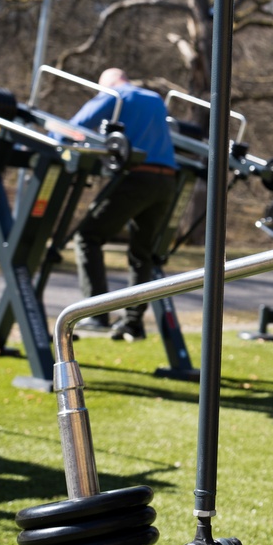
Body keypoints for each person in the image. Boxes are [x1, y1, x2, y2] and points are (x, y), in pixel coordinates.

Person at [68, 68, 179, 341]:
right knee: (142, 253)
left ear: (107, 84)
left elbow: (76, 125)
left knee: (87, 237)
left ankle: (96, 314)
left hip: (136, 178)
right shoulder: (154, 98)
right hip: (166, 183)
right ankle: (132, 323)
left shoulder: (114, 95)